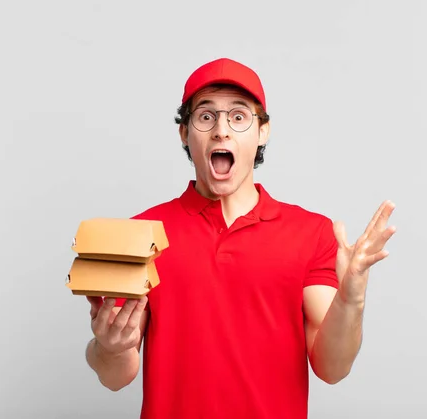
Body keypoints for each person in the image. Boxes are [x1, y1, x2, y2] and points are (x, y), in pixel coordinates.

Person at [84, 57, 396, 419]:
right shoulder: (141, 232)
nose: (221, 131)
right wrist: (107, 348)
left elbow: (333, 367)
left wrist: (352, 299)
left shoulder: (312, 232)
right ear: (185, 133)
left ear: (262, 131)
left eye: (238, 116)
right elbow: (115, 375)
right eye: (205, 117)